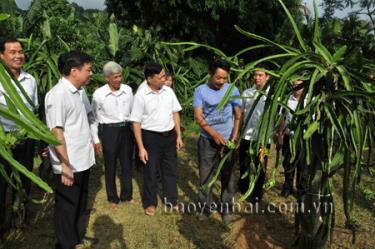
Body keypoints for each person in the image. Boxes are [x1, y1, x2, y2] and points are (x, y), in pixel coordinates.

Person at [45, 50, 97, 249]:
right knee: (67, 207)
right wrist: (65, 165)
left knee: (79, 203)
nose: (91, 73)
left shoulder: (80, 92)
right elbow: (56, 132)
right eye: (88, 70)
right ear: (74, 71)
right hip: (69, 163)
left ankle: (75, 238)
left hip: (82, 159)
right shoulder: (57, 95)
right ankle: (65, 244)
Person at [130, 61, 183, 216]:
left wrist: (178, 135)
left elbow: (175, 113)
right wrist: (141, 147)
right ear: (149, 78)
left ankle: (171, 200)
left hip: (169, 137)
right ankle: (150, 202)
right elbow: (136, 122)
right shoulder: (141, 96)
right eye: (160, 77)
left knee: (171, 169)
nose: (164, 79)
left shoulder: (168, 92)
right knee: (150, 171)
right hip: (150, 138)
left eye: (164, 76)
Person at [193, 59, 241, 224]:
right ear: (210, 74)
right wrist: (214, 135)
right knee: (206, 176)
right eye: (218, 78)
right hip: (207, 140)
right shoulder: (200, 91)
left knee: (228, 176)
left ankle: (226, 209)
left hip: (228, 141)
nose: (222, 82)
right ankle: (205, 209)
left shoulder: (232, 89)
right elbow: (198, 117)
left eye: (225, 78)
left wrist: (234, 136)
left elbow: (238, 115)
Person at [0, 37, 38, 233]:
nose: (18, 56)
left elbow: (34, 109)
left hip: (26, 137)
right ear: (1, 55)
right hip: (3, 141)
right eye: (12, 52)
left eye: (20, 51)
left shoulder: (30, 80)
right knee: (2, 182)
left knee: (24, 178)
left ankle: (19, 217)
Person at [90, 61, 134, 209]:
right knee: (110, 165)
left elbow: (133, 112)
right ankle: (112, 198)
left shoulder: (127, 90)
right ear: (107, 78)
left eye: (120, 76)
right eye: (115, 77)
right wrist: (96, 140)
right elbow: (94, 119)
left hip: (126, 129)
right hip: (109, 131)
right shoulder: (99, 94)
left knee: (127, 163)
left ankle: (127, 195)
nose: (119, 80)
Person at [238, 65, 271, 202]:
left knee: (260, 166)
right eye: (255, 75)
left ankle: (257, 193)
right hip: (246, 135)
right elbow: (241, 114)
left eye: (260, 75)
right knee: (244, 163)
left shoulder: (273, 96)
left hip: (263, 138)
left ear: (267, 77)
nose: (257, 78)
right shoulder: (247, 93)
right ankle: (243, 188)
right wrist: (238, 134)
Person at [277, 80, 308, 198]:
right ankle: (287, 187)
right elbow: (282, 118)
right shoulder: (287, 99)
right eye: (294, 85)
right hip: (289, 136)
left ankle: (301, 190)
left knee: (303, 165)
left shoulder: (310, 100)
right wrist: (280, 135)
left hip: (304, 138)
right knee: (288, 163)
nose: (296, 87)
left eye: (299, 85)